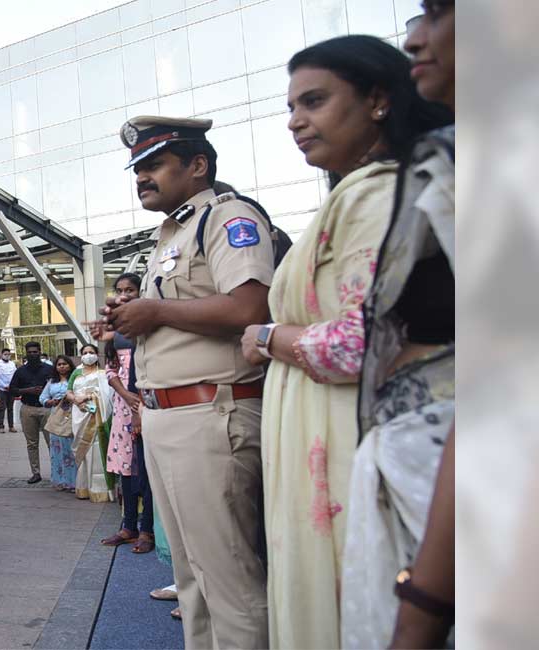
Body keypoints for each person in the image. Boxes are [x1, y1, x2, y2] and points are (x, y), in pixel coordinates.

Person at [237, 34, 453, 650]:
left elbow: (361, 343)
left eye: (314, 101)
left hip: (340, 433)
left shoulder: (380, 193)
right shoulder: (359, 191)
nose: (295, 122)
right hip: (317, 427)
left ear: (378, 100)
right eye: (291, 107)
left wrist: (268, 336)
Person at [100, 115, 275, 648]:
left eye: (154, 164)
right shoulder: (171, 234)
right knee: (192, 579)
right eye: (137, 169)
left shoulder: (227, 216)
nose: (141, 177)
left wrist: (154, 310)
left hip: (211, 414)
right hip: (170, 417)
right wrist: (133, 316)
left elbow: (250, 307)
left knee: (229, 580)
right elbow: (179, 316)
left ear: (197, 165)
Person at [341, 5, 457, 647]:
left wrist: (424, 602)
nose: (415, 38)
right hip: (410, 464)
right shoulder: (441, 163)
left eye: (438, 11)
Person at [100, 273, 156, 553]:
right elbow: (110, 369)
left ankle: (148, 530)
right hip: (124, 406)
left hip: (147, 404)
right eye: (119, 290)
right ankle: (128, 526)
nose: (124, 295)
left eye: (130, 289)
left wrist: (138, 405)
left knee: (147, 471)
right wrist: (124, 394)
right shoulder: (114, 330)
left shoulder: (149, 326)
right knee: (126, 468)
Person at [67, 343, 112, 502]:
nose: (88, 355)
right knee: (83, 451)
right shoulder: (76, 373)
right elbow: (69, 391)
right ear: (81, 355)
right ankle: (83, 488)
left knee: (97, 451)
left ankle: (99, 489)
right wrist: (76, 400)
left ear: (96, 355)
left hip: (96, 415)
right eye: (85, 352)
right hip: (79, 415)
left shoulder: (102, 373)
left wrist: (87, 397)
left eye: (91, 352)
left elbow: (107, 395)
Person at [8, 341, 55, 484]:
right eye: (30, 352)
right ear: (26, 353)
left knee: (52, 442)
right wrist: (28, 390)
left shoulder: (50, 369)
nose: (33, 354)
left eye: (35, 352)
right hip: (28, 408)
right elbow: (12, 389)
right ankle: (36, 473)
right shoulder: (20, 371)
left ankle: (56, 472)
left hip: (46, 409)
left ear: (40, 352)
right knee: (32, 443)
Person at [41, 355, 77, 492]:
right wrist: (50, 402)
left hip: (72, 417)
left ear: (70, 365)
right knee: (57, 450)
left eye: (64, 364)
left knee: (71, 450)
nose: (62, 366)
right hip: (56, 418)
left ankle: (73, 481)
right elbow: (43, 397)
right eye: (59, 364)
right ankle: (60, 480)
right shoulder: (52, 382)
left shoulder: (76, 380)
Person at [0, 348, 16, 433]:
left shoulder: (12, 364)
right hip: (2, 389)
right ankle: (1, 426)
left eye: (8, 354)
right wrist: (4, 386)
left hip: (11, 389)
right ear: (1, 355)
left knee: (10, 408)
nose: (7, 356)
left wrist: (12, 385)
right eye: (5, 354)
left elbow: (15, 375)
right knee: (2, 408)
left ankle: (11, 426)